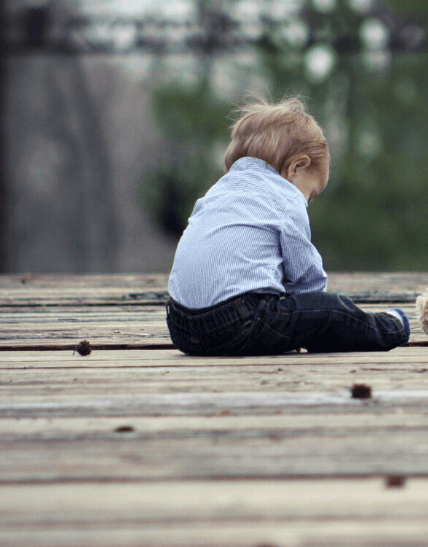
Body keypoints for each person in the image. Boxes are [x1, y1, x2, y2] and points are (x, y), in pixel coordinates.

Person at [165, 95, 410, 356]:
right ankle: (391, 327)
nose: (306, 202)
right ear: (296, 167)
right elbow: (306, 278)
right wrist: (314, 317)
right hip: (238, 323)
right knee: (334, 310)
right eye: (311, 194)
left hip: (180, 327)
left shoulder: (216, 192)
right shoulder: (285, 197)